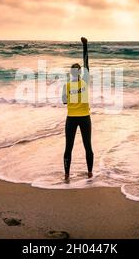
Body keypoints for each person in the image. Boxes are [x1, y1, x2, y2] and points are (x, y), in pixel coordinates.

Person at [61, 37, 94, 183]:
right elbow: (86, 62)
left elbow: (64, 101)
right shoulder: (85, 81)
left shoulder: (66, 86)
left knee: (69, 147)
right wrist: (85, 46)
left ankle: (67, 175)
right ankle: (90, 173)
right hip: (85, 117)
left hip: (71, 118)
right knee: (88, 145)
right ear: (80, 72)